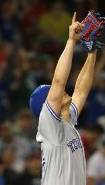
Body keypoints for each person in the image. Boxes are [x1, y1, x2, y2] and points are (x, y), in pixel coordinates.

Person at [29, 12, 97, 185]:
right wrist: (71, 41)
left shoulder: (66, 121)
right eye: (52, 93)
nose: (59, 92)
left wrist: (92, 52)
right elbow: (59, 81)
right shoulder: (49, 126)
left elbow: (81, 90)